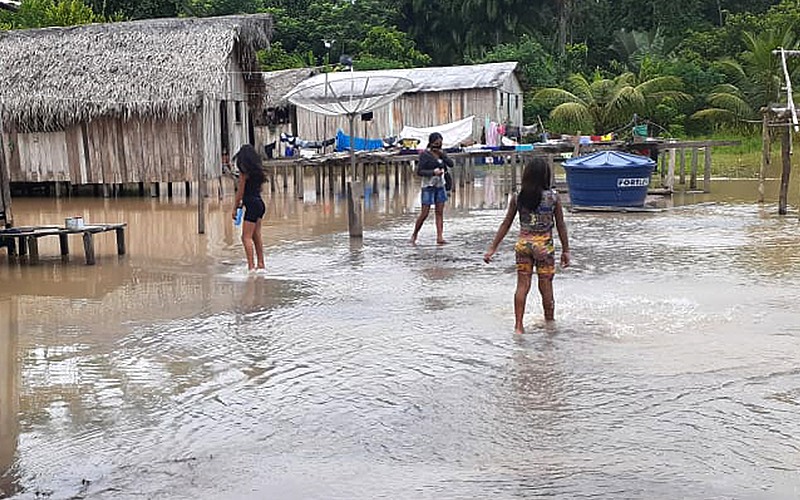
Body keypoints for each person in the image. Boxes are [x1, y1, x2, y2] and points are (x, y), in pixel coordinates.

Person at [483, 157, 570, 333]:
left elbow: (506, 224)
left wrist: (492, 248)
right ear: (546, 176)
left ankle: (518, 326)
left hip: (523, 245)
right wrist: (566, 250)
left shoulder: (518, 197)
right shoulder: (553, 198)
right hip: (544, 247)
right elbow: (561, 225)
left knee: (522, 286)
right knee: (546, 286)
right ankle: (549, 323)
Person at [411, 132, 453, 245]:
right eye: (436, 144)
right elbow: (419, 171)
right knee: (424, 213)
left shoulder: (442, 154)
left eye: (439, 144)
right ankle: (415, 234)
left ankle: (440, 237)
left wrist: (442, 155)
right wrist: (433, 172)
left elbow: (451, 164)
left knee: (439, 212)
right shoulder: (425, 155)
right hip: (428, 186)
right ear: (431, 143)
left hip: (440, 185)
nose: (438, 146)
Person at [231, 144, 266, 272]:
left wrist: (234, 208)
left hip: (251, 204)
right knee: (256, 236)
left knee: (245, 237)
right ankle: (261, 264)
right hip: (260, 204)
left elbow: (240, 192)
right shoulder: (258, 172)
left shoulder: (244, 173)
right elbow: (256, 190)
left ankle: (251, 267)